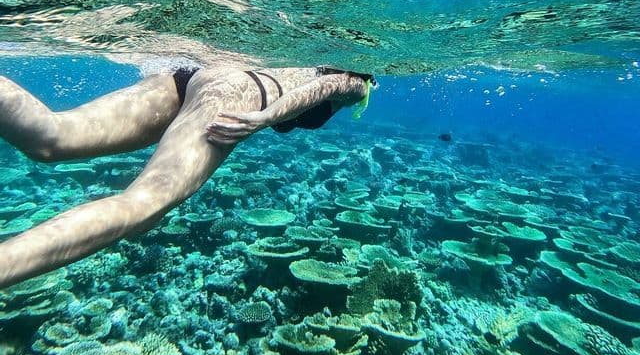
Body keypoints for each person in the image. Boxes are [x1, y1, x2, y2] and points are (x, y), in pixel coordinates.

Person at [0, 64, 373, 289]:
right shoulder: (359, 78)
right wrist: (267, 116)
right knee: (143, 205)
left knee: (51, 137)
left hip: (188, 77)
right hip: (235, 93)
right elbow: (329, 86)